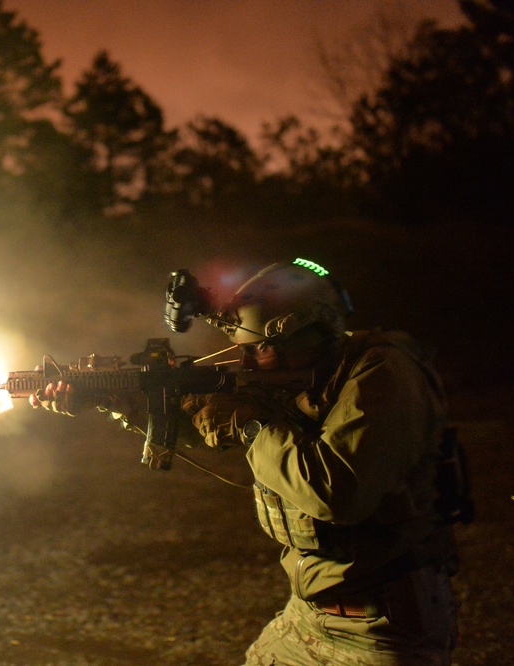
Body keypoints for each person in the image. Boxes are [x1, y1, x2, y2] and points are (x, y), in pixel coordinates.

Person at [32, 259, 468, 665]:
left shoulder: (384, 375)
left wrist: (250, 426)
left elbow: (335, 492)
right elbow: (197, 427)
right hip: (308, 615)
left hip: (384, 628)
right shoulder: (296, 374)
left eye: (259, 351)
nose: (245, 363)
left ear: (307, 336)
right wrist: (114, 402)